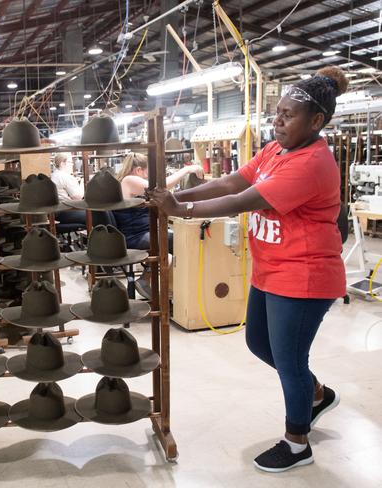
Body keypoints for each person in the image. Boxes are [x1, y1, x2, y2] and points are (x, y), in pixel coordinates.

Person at [148, 66, 347, 473]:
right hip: (272, 269)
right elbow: (230, 183)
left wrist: (180, 211)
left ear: (316, 122)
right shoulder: (277, 150)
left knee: (290, 360)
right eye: (276, 112)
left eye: (288, 115)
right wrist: (171, 196)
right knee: (259, 344)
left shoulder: (311, 162)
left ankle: (297, 444)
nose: (277, 120)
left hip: (305, 274)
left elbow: (244, 201)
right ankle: (316, 394)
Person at [114, 152, 203, 298]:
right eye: (148, 172)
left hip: (140, 233)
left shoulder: (127, 182)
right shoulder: (129, 180)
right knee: (183, 239)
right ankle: (182, 293)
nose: (149, 176)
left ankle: (147, 279)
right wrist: (187, 169)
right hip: (135, 236)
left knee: (175, 238)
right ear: (138, 170)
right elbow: (161, 187)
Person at [51, 153, 86, 226]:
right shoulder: (65, 176)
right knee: (98, 214)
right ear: (62, 163)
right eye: (70, 162)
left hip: (56, 213)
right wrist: (83, 182)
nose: (72, 164)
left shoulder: (53, 175)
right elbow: (77, 198)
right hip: (66, 212)